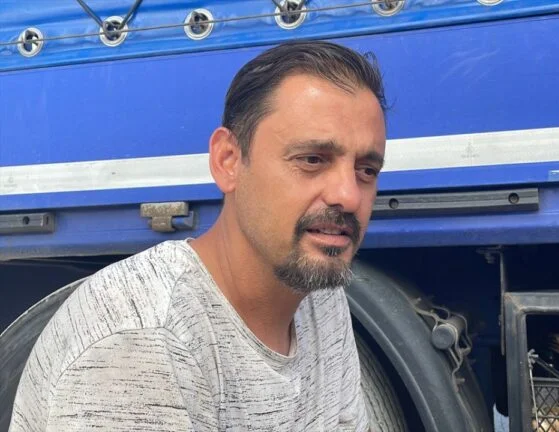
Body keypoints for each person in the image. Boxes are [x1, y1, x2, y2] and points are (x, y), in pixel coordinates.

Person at [10, 40, 387, 431]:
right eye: (312, 159)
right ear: (228, 161)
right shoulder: (141, 344)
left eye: (366, 170)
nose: (348, 195)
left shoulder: (321, 299)